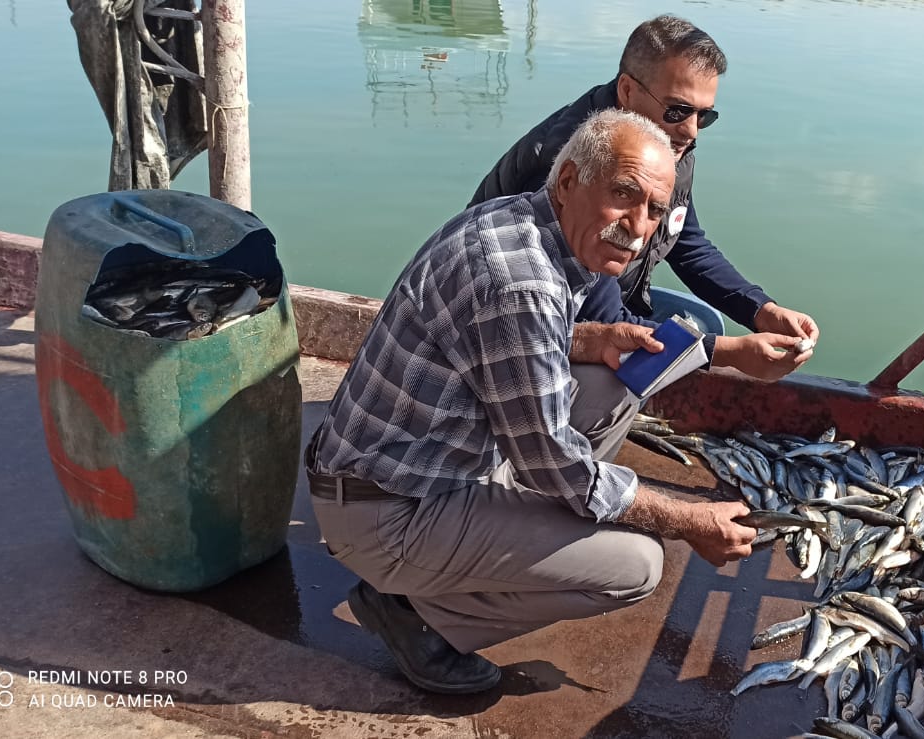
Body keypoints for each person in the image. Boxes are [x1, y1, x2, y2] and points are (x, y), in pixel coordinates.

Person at [307, 110, 757, 695]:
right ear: (568, 182)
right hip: (388, 513)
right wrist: (690, 518)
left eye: (653, 209)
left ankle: (496, 549)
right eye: (623, 196)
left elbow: (497, 341)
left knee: (615, 384)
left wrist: (590, 338)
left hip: (416, 467)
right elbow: (556, 464)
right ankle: (417, 615)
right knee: (636, 565)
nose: (638, 226)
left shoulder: (520, 221)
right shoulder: (520, 284)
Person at [470, 14, 819, 382]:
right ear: (627, 91)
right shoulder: (577, 165)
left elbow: (684, 238)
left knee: (703, 323)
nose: (690, 130)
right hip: (526, 329)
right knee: (631, 372)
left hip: (612, 301)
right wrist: (725, 353)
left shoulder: (663, 142)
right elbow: (603, 325)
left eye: (704, 115)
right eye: (678, 110)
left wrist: (761, 310)